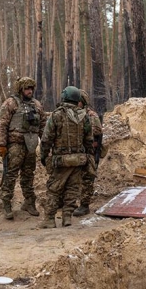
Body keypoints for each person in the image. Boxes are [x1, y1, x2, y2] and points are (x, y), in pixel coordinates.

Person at [38, 86, 93, 228]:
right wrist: (88, 156)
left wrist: (44, 156)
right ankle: (67, 217)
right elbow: (89, 140)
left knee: (54, 189)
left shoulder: (56, 115)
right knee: (72, 189)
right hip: (79, 160)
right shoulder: (84, 116)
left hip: (61, 160)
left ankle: (50, 219)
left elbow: (46, 139)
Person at [0, 77, 46, 219]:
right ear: (20, 89)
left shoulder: (36, 105)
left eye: (31, 88)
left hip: (30, 145)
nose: (30, 91)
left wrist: (46, 143)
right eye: (26, 88)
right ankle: (6, 202)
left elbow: (43, 125)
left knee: (28, 174)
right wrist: (1, 145)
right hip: (15, 145)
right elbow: (2, 125)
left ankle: (29, 202)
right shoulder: (11, 104)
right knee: (11, 174)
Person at [74, 89, 103, 217]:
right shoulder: (71, 114)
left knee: (87, 179)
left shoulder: (91, 115)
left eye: (78, 101)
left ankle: (84, 205)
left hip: (88, 152)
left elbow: (97, 132)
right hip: (75, 152)